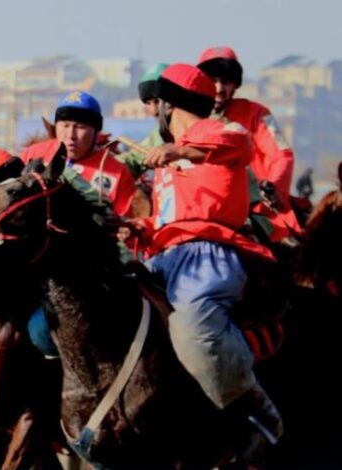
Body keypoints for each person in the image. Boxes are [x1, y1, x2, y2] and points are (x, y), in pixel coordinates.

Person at [135, 63, 282, 461]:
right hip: (161, 257)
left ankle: (256, 412)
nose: (154, 113)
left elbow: (239, 144)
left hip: (209, 255)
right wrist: (137, 227)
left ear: (170, 104)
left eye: (157, 104)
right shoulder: (166, 163)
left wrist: (181, 150)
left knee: (194, 323)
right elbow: (166, 217)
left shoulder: (222, 131)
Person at [198, 47, 301, 248]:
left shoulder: (257, 114)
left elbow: (282, 155)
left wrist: (272, 188)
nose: (219, 88)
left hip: (256, 207)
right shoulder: (188, 117)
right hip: (201, 206)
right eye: (213, 80)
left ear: (235, 85)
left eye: (226, 81)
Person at [21, 91, 136, 217]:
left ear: (96, 131)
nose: (71, 135)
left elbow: (122, 224)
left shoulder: (118, 173)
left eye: (80, 127)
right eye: (65, 126)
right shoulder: (34, 153)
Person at [117, 62, 169, 178]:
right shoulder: (158, 135)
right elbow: (134, 158)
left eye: (157, 101)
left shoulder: (201, 128)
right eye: (148, 103)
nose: (154, 111)